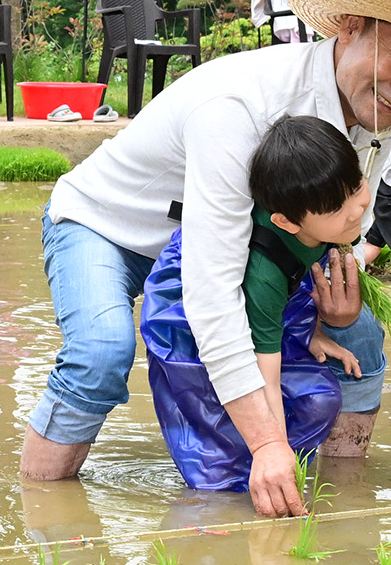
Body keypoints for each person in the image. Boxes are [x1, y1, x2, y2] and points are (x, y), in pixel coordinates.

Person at [24, 0, 391, 518]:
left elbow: (329, 235)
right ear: (353, 25)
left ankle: (339, 503)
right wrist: (265, 443)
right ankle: (44, 517)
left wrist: (323, 313)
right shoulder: (242, 108)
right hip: (109, 228)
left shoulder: (375, 120)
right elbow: (212, 294)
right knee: (100, 352)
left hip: (239, 243)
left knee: (357, 337)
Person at [140, 114, 377, 491]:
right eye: (337, 208)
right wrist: (273, 447)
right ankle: (220, 498)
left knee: (318, 399)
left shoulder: (321, 216)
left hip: (258, 297)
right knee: (220, 429)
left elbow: (296, 283)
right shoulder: (265, 274)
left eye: (357, 186)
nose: (356, 209)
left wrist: (309, 331)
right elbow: (263, 375)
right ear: (286, 222)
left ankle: (272, 477)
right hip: (188, 311)